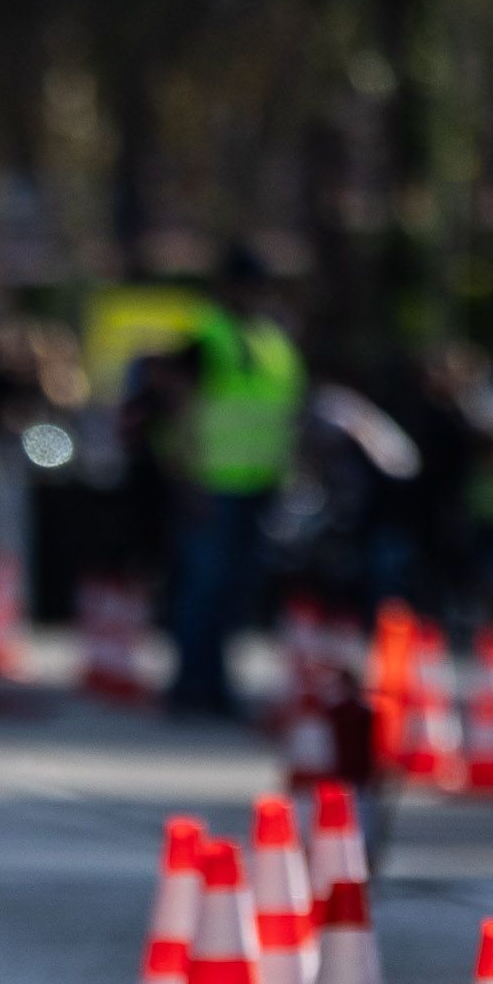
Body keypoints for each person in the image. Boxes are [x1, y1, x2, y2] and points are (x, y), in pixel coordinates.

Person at [162, 253, 304, 714]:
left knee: (236, 591)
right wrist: (188, 477)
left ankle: (216, 684)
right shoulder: (207, 336)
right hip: (213, 482)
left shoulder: (273, 343)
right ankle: (191, 685)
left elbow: (285, 414)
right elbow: (180, 408)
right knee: (205, 587)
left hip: (258, 483)